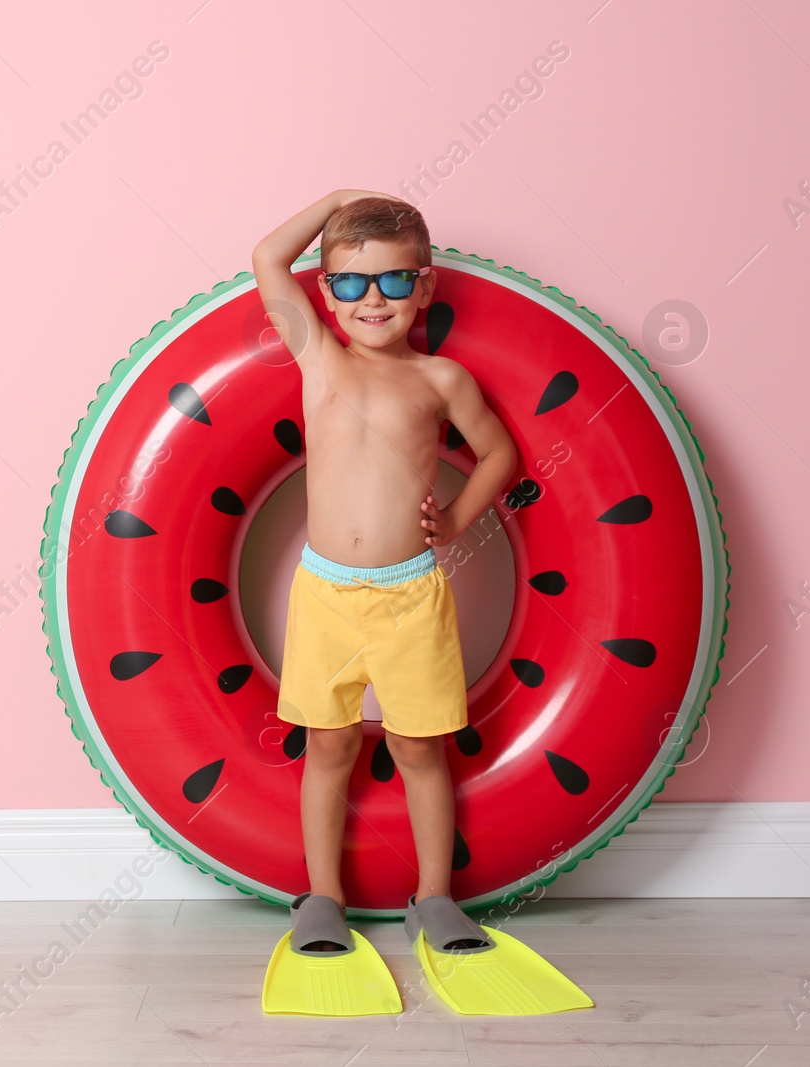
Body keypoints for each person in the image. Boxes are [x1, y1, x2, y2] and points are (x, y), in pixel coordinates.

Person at [251, 189, 517, 953]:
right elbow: (269, 259)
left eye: (396, 280)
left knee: (417, 747)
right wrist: (334, 203)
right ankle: (323, 897)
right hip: (326, 593)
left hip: (411, 596)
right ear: (327, 295)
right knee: (329, 745)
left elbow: (498, 452)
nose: (375, 299)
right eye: (352, 282)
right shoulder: (319, 358)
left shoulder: (441, 380)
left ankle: (434, 895)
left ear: (425, 285)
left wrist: (459, 519)